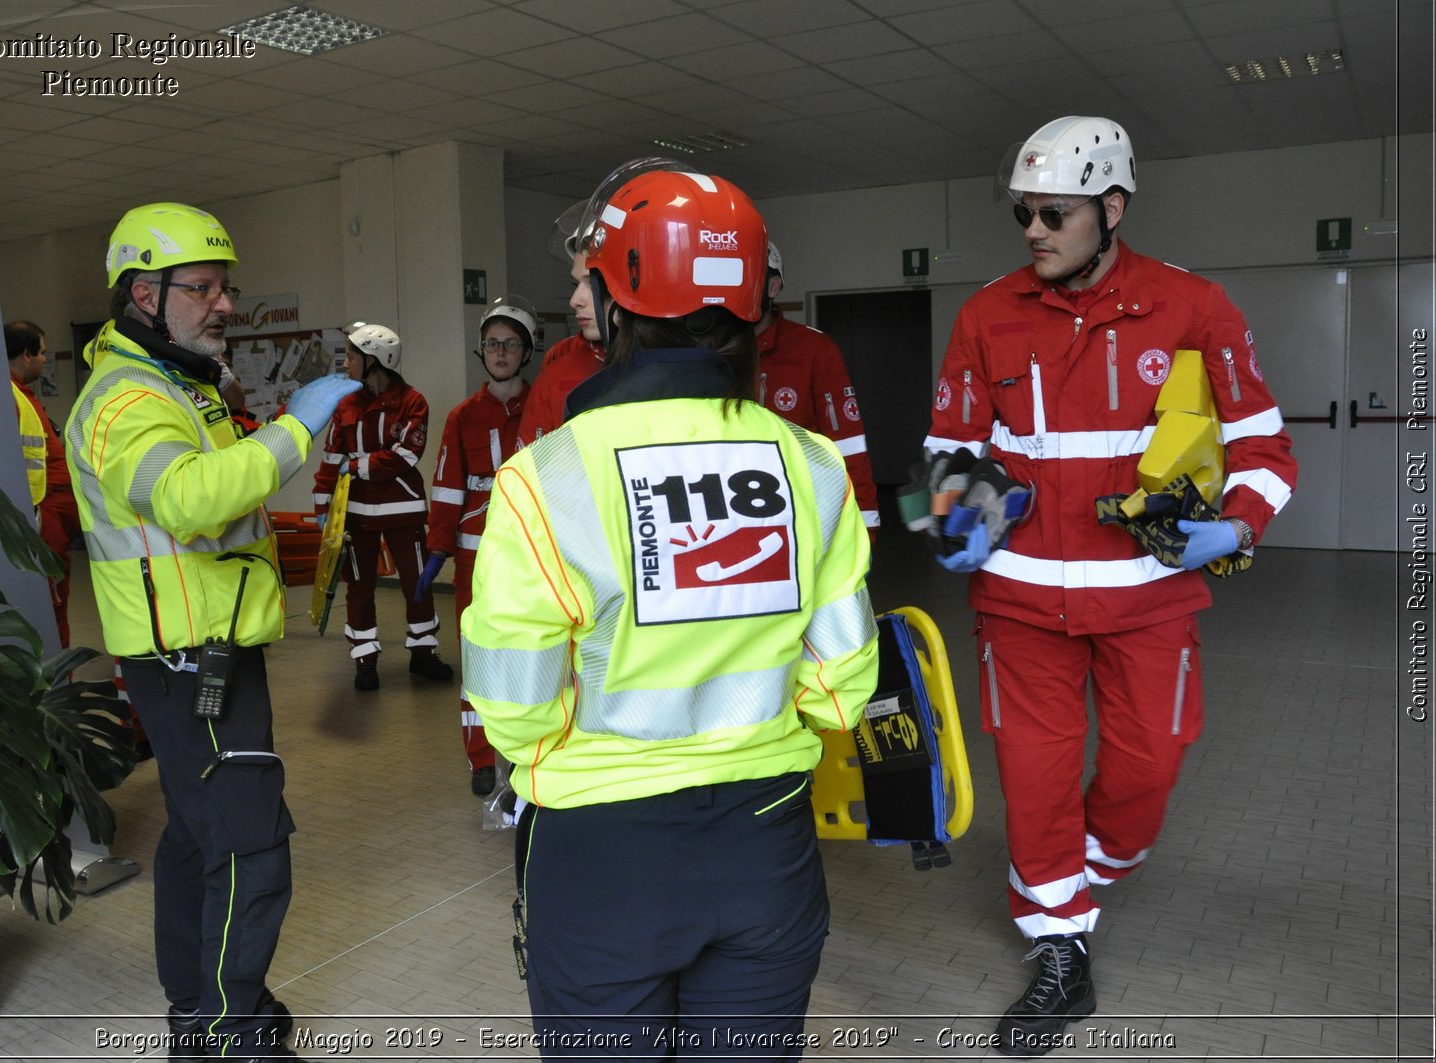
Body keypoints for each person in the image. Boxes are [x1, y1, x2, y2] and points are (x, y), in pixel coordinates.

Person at [463, 164, 879, 1057]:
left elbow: (514, 712)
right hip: (768, 841)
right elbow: (846, 685)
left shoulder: (545, 480)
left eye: (588, 279)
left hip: (602, 851)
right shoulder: (810, 466)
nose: (576, 295)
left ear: (622, 305)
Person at [921, 117, 1298, 1056]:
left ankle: (1083, 875)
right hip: (1018, 603)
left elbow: (1266, 449)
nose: (1034, 230)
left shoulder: (1194, 308)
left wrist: (1237, 524)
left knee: (1149, 768)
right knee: (1036, 778)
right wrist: (955, 518)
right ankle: (1058, 944)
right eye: (1024, 214)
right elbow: (950, 449)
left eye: (1055, 213)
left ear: (1113, 207)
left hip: (1149, 600)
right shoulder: (985, 315)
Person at [65, 201, 358, 1062]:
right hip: (189, 661)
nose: (224, 305)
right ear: (142, 295)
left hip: (205, 650)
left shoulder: (176, 385)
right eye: (203, 289)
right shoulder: (125, 400)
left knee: (199, 837)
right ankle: (226, 1036)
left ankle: (202, 1008)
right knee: (250, 845)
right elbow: (192, 498)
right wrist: (297, 425)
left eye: (226, 288)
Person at [420, 297, 535, 796]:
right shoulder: (463, 416)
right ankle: (483, 756)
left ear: (527, 350)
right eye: (492, 344)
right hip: (476, 559)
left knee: (538, 651)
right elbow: (447, 487)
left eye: (511, 343)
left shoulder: (546, 406)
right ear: (481, 352)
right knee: (480, 656)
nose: (501, 352)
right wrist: (438, 550)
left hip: (537, 555)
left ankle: (536, 751)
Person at [310, 322, 452, 691]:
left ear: (375, 360)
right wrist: (323, 506)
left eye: (352, 356)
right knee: (358, 587)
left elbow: (406, 454)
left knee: (416, 583)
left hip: (403, 511)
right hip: (355, 515)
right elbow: (330, 457)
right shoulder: (345, 405)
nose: (346, 363)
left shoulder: (412, 401)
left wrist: (356, 465)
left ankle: (423, 653)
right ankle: (365, 659)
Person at [754, 243, 881, 535]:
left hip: (803, 515)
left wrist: (866, 525)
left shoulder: (813, 349)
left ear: (773, 286)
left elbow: (848, 443)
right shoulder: (714, 351)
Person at [7, 319, 81, 645]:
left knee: (57, 602)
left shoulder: (23, 396)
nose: (44, 360)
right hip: (40, 522)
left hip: (52, 520)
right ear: (26, 354)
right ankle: (57, 681)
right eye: (42, 353)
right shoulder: (8, 397)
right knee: (50, 605)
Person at [514, 248, 603, 448]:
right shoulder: (559, 365)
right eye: (576, 284)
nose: (575, 301)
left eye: (592, 284)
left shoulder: (673, 364)